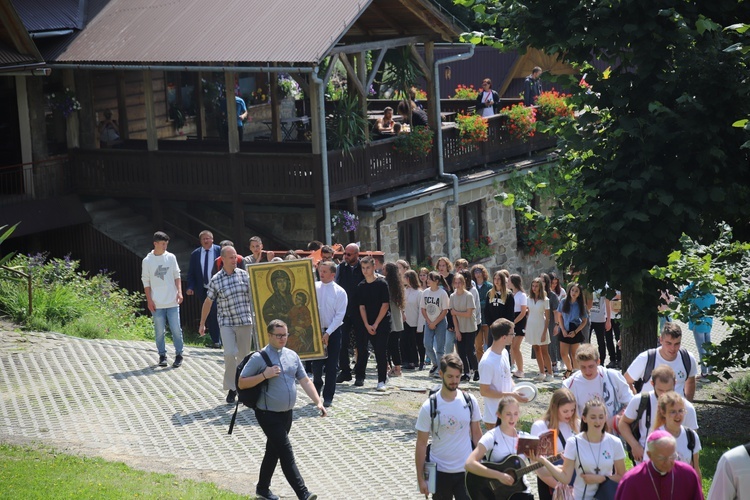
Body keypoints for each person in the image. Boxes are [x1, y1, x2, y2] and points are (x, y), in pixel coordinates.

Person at [238, 320, 324, 500]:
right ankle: (303, 493)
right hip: (267, 414)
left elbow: (305, 380)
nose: (282, 338)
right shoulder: (258, 358)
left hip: (287, 414)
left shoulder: (292, 355)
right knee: (286, 452)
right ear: (269, 335)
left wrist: (318, 401)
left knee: (273, 451)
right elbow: (242, 382)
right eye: (278, 335)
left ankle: (262, 490)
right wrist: (264, 375)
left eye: (285, 335)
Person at [415, 353, 482, 499]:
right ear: (441, 374)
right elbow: (421, 444)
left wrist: (483, 466)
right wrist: (421, 479)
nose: (454, 381)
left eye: (458, 377)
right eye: (450, 376)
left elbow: (477, 435)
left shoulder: (470, 401)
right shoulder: (430, 406)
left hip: (465, 470)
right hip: (440, 473)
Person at [534, 398, 627, 500]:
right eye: (593, 417)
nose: (597, 421)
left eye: (601, 417)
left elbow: (622, 476)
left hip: (606, 496)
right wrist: (543, 461)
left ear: (605, 418)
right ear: (584, 418)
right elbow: (565, 477)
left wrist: (601, 479)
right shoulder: (573, 442)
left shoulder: (615, 442)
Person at [199, 245, 254, 404]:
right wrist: (202, 323)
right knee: (229, 353)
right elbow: (208, 302)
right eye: (231, 257)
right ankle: (232, 387)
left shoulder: (245, 276)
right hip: (227, 323)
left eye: (235, 257)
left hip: (245, 322)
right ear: (222, 259)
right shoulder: (216, 280)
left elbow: (256, 296)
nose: (234, 260)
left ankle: (243, 387)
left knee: (244, 357)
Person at [618, 365, 698, 463]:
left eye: (668, 390)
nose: (664, 395)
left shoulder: (686, 408)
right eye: (660, 390)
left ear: (675, 383)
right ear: (652, 384)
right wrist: (635, 446)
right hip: (645, 459)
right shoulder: (640, 400)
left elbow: (693, 442)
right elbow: (623, 423)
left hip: (678, 462)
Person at [465, 396, 534, 497]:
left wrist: (539, 461)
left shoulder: (525, 437)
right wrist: (499, 476)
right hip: (496, 494)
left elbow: (537, 467)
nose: (512, 418)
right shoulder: (492, 436)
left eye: (515, 414)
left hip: (521, 492)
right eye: (508, 414)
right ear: (499, 415)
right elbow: (469, 464)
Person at [613, 430, 703, 500]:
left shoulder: (687, 474)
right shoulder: (631, 480)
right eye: (662, 458)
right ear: (649, 455)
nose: (668, 462)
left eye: (672, 456)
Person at [141, 231, 184, 368]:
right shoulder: (147, 261)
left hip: (172, 301)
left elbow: (177, 275)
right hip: (157, 302)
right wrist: (149, 300)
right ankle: (162, 355)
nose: (165, 246)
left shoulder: (171, 257)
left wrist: (179, 292)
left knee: (176, 329)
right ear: (155, 244)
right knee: (159, 331)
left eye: (166, 244)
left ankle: (179, 354)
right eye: (163, 243)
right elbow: (146, 282)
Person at [625, 322, 697, 401]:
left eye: (677, 344)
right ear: (661, 340)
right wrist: (636, 403)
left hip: (676, 412)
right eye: (669, 343)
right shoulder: (645, 359)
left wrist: (687, 405)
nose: (673, 348)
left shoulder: (688, 358)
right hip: (650, 412)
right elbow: (625, 382)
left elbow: (690, 382)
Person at [478, 318, 528, 430]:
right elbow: (484, 391)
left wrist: (517, 389)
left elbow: (507, 378)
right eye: (512, 334)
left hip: (507, 414)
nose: (514, 336)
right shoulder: (487, 362)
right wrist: (511, 395)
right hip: (494, 417)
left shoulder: (504, 352)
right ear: (504, 337)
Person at [531, 388, 580, 500]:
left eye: (572, 410)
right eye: (565, 411)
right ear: (554, 408)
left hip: (576, 484)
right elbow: (536, 466)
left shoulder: (577, 424)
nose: (569, 414)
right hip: (550, 485)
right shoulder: (541, 426)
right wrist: (560, 487)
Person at [562, 343, 632, 421]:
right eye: (583, 367)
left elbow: (630, 403)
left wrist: (614, 421)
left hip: (612, 428)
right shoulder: (569, 385)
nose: (587, 371)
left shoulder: (613, 377)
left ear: (598, 362)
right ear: (577, 363)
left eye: (591, 366)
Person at [312, 260, 347, 408]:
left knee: (332, 366)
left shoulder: (340, 292)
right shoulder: (314, 287)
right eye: (321, 271)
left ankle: (328, 396)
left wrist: (328, 332)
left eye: (325, 271)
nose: (322, 274)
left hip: (333, 331)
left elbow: (340, 316)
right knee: (316, 366)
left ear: (333, 274)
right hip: (316, 331)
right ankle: (316, 387)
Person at [354, 256, 391, 391]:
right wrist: (366, 324)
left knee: (380, 350)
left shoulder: (382, 283)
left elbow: (385, 305)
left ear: (374, 266)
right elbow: (361, 307)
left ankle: (381, 380)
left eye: (368, 267)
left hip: (381, 322)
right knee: (362, 350)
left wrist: (375, 324)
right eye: (363, 268)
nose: (365, 271)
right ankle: (359, 376)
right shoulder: (361, 286)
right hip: (366, 323)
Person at [651, 390, 703, 483]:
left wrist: (699, 493)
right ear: (663, 413)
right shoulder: (656, 437)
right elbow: (650, 472)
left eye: (680, 411)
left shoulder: (691, 435)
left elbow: (696, 469)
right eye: (673, 412)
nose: (678, 415)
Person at [186, 230, 222, 348]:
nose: (206, 241)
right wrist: (190, 287)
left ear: (212, 239)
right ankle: (216, 340)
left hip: (219, 288)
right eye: (203, 239)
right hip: (204, 289)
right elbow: (191, 273)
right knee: (210, 314)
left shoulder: (219, 251)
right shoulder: (195, 254)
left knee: (217, 311)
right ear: (200, 241)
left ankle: (222, 339)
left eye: (208, 238)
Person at [335, 243, 364, 383]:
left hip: (360, 311)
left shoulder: (363, 267)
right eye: (345, 253)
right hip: (345, 311)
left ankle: (360, 374)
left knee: (361, 343)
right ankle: (345, 371)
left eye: (349, 254)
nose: (345, 256)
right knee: (342, 342)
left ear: (357, 255)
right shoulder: (341, 267)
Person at [681, 283, 716, 377]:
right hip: (708, 322)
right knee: (708, 346)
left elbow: (683, 296)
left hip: (698, 323)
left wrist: (690, 286)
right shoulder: (710, 291)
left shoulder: (695, 291)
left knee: (701, 349)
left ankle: (704, 372)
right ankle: (711, 370)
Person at [421, 271, 450, 378]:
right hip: (429, 321)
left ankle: (440, 370)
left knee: (440, 348)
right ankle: (436, 363)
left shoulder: (442, 293)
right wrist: (429, 322)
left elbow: (445, 310)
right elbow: (423, 309)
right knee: (427, 344)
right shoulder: (425, 292)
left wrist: (435, 322)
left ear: (436, 281)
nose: (427, 280)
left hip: (440, 322)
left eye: (430, 279)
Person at [449, 273, 477, 382]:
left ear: (463, 283)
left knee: (470, 350)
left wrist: (456, 312)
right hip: (460, 327)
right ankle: (466, 372)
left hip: (469, 326)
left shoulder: (468, 295)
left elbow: (469, 313)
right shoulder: (452, 296)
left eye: (459, 282)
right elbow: (453, 315)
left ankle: (476, 370)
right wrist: (457, 330)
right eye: (455, 283)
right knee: (461, 351)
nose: (458, 285)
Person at [557, 283, 589, 378]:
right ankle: (569, 369)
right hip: (565, 328)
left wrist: (576, 332)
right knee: (563, 353)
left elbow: (584, 321)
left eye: (576, 291)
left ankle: (576, 373)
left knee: (574, 353)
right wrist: (562, 329)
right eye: (572, 290)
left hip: (575, 328)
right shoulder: (563, 302)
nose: (574, 293)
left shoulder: (580, 305)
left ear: (579, 293)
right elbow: (559, 316)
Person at [526, 277, 552, 381]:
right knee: (536, 349)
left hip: (541, 326)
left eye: (536, 286)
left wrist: (544, 332)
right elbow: (528, 314)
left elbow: (547, 318)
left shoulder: (545, 300)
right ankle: (541, 372)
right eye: (533, 286)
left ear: (540, 287)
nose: (534, 288)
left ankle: (550, 373)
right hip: (531, 326)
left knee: (545, 351)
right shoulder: (529, 299)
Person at [483, 270, 515, 350]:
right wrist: (490, 324)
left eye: (499, 279)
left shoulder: (509, 294)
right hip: (493, 327)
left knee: (505, 350)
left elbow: (510, 313)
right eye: (495, 279)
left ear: (503, 280)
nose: (496, 281)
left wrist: (506, 325)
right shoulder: (490, 293)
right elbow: (486, 311)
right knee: (492, 348)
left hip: (504, 327)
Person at [385, 262, 405, 378]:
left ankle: (395, 367)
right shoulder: (397, 283)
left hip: (391, 317)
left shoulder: (388, 284)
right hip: (396, 318)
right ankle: (396, 367)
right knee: (394, 344)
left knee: (390, 344)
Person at [541, 273, 562, 373]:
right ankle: (544, 365)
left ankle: (554, 364)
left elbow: (556, 312)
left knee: (552, 343)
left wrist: (557, 325)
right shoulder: (536, 294)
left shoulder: (552, 295)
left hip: (551, 322)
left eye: (542, 281)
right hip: (539, 322)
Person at [471, 264, 492, 363]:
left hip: (487, 319)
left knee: (489, 344)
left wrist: (478, 303)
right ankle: (480, 365)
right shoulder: (471, 287)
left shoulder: (489, 286)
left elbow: (489, 302)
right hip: (476, 320)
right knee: (478, 345)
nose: (477, 274)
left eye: (479, 271)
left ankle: (490, 364)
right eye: (475, 272)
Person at [508, 274, 528, 378]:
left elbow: (523, 312)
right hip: (512, 320)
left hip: (519, 322)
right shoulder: (512, 294)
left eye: (509, 281)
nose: (507, 283)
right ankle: (514, 367)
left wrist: (514, 322)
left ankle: (521, 370)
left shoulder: (522, 295)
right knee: (512, 346)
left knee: (516, 347)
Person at [402, 269, 422, 370]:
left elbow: (420, 309)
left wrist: (420, 325)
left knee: (413, 342)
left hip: (414, 321)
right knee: (404, 341)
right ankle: (405, 360)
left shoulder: (419, 293)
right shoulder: (405, 291)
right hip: (405, 320)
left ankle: (414, 361)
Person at [588, 288, 613, 366]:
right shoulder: (588, 285)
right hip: (588, 318)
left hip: (600, 319)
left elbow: (607, 304)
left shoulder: (604, 287)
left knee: (601, 341)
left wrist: (608, 320)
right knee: (586, 341)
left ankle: (601, 361)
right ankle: (588, 359)